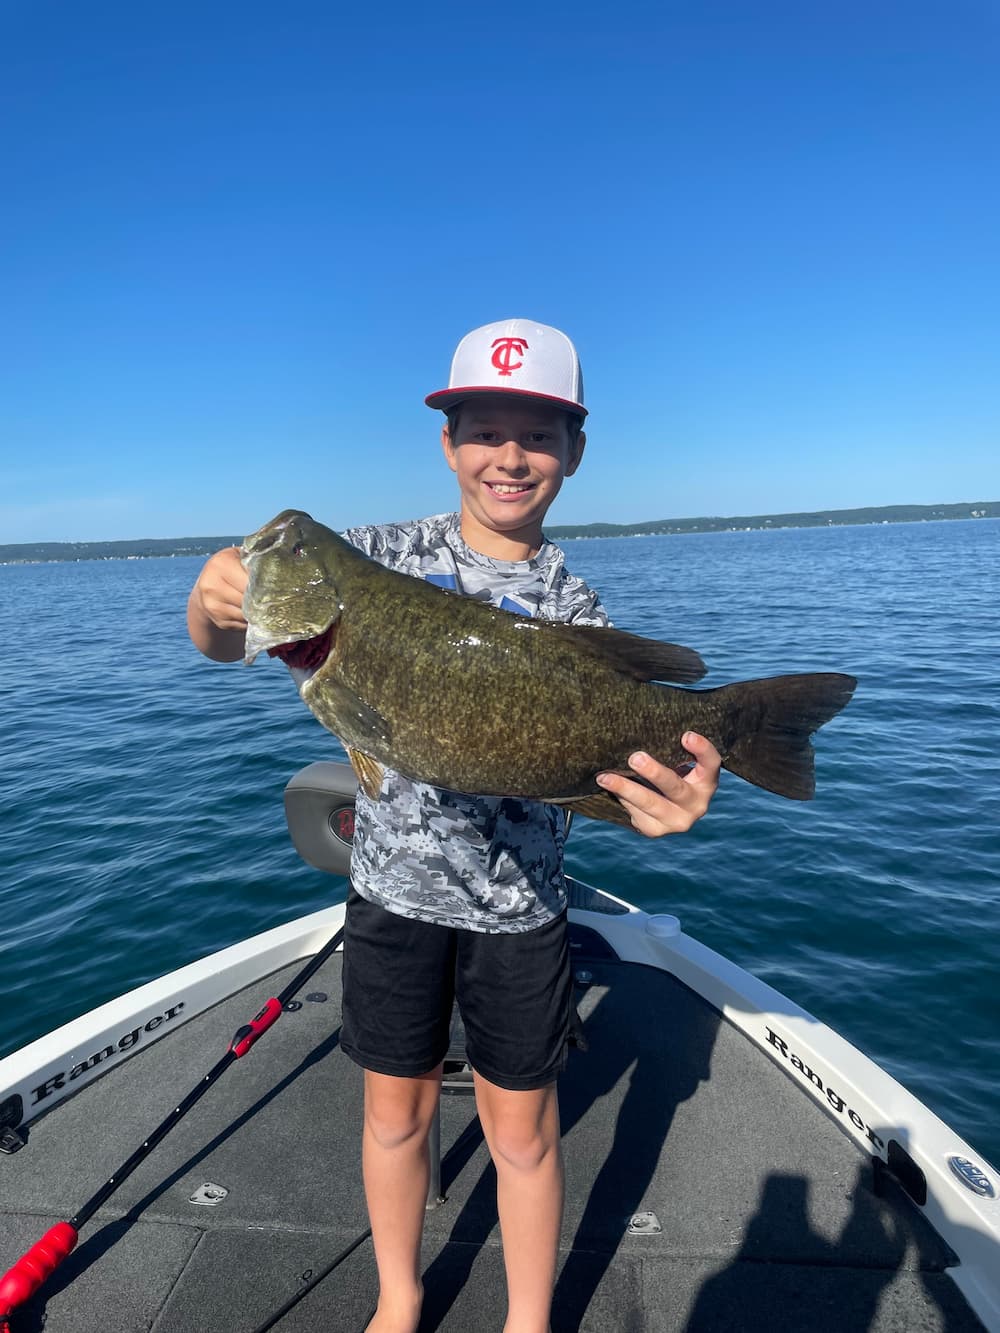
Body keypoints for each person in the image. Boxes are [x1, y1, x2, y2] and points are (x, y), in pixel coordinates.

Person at [186, 318, 722, 1333]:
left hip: (521, 912)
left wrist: (667, 798)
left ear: (573, 452)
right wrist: (215, 601)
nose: (508, 456)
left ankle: (527, 1318)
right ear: (447, 443)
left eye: (537, 435)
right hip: (390, 898)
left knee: (522, 1132)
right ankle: (399, 1295)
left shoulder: (573, 605)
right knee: (394, 1113)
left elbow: (617, 764)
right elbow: (219, 641)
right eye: (484, 431)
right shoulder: (377, 558)